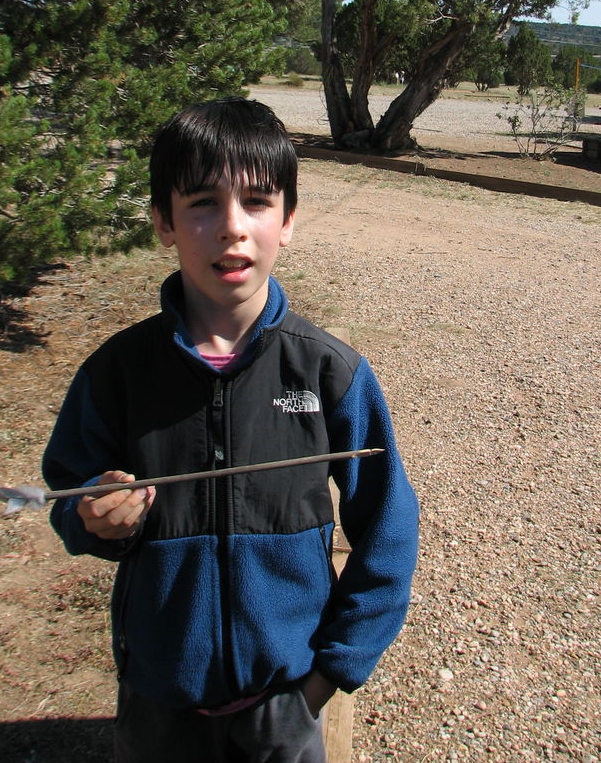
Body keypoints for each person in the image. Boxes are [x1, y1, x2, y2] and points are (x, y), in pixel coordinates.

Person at [42, 96, 419, 763]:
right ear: (163, 221)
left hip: (286, 707)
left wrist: (328, 677)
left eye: (256, 202)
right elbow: (68, 493)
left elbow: (389, 533)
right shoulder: (118, 373)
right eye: (202, 204)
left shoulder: (330, 374)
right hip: (158, 707)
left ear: (289, 219)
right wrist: (96, 514)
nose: (232, 229)